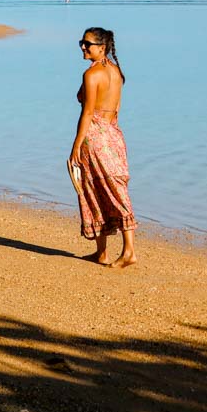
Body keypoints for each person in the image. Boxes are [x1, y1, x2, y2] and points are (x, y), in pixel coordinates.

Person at [68, 27, 137, 267]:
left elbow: (87, 113)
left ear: (102, 47)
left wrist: (76, 145)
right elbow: (116, 108)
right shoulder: (116, 72)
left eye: (87, 44)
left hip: (95, 135)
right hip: (114, 134)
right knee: (111, 187)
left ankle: (128, 252)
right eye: (82, 43)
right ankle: (102, 253)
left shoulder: (91, 75)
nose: (83, 47)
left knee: (97, 189)